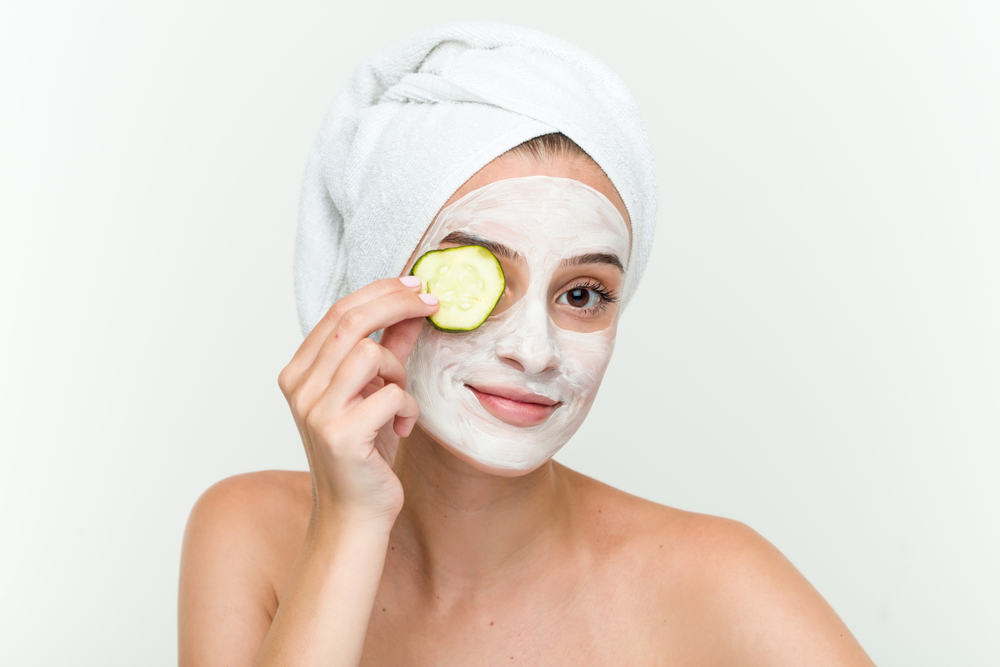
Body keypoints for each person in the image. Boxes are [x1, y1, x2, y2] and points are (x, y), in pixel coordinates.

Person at [178, 21, 876, 667]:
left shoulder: (718, 579)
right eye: (478, 280)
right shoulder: (249, 535)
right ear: (373, 284)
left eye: (582, 295)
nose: (535, 352)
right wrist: (350, 525)